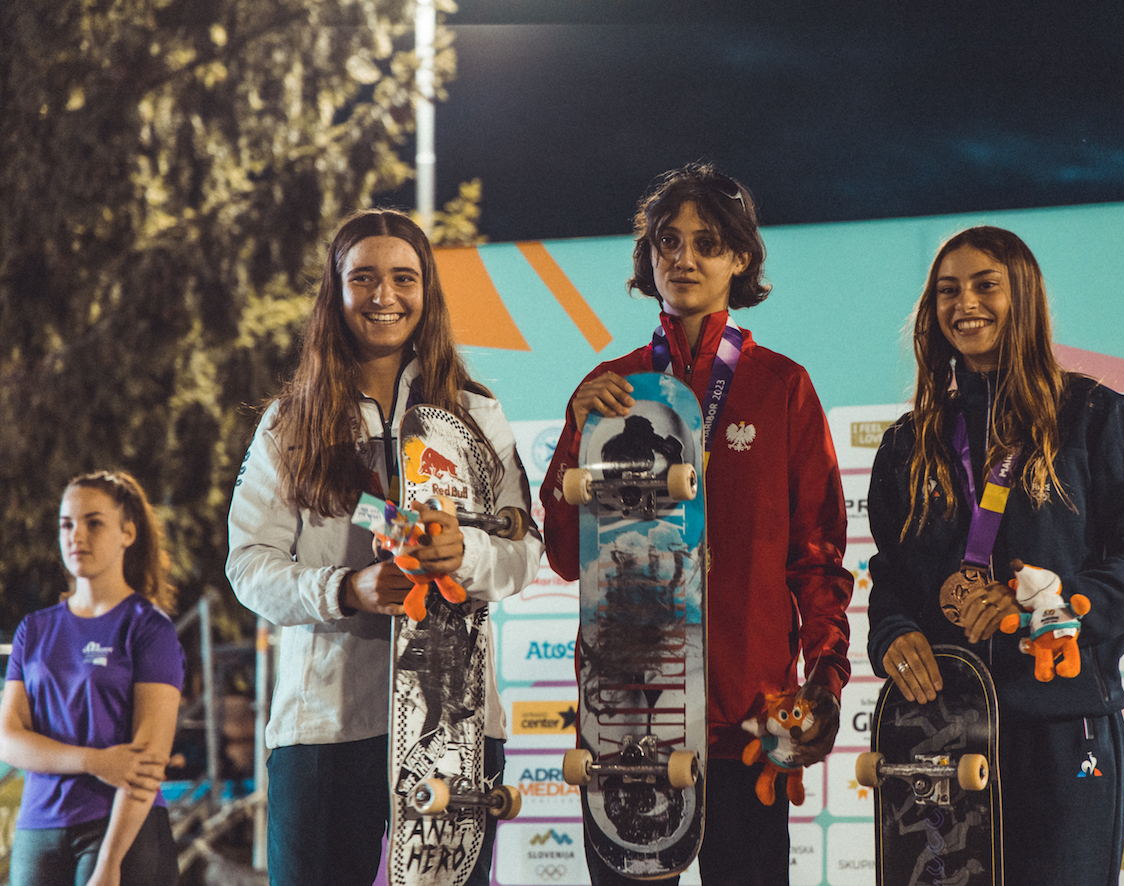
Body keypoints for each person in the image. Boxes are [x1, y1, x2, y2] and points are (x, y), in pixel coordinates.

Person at [539, 163, 853, 886]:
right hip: (628, 720)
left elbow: (817, 558)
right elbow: (561, 555)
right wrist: (577, 431)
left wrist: (825, 681)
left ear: (740, 258)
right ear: (647, 257)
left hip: (748, 719)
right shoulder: (609, 388)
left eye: (706, 243)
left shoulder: (780, 386)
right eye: (667, 241)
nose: (683, 258)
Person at [227, 209, 542, 886]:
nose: (383, 295)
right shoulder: (291, 421)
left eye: (403, 277)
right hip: (323, 730)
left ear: (426, 292)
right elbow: (248, 565)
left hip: (452, 723)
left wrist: (465, 555)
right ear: (334, 295)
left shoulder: (475, 413)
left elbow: (522, 551)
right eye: (362, 278)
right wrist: (345, 590)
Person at [865, 226, 1124, 884]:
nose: (963, 303)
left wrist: (1056, 609)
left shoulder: (1093, 416)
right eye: (947, 290)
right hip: (938, 730)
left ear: (1023, 297)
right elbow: (889, 576)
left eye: (985, 285)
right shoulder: (906, 443)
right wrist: (892, 632)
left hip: (1058, 723)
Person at [0, 471, 185, 886]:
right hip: (38, 830)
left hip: (120, 831)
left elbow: (146, 761)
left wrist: (109, 863)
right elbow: (8, 739)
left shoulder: (149, 629)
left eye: (93, 522)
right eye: (67, 524)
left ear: (128, 533)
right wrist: (95, 761)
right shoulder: (34, 630)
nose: (76, 534)